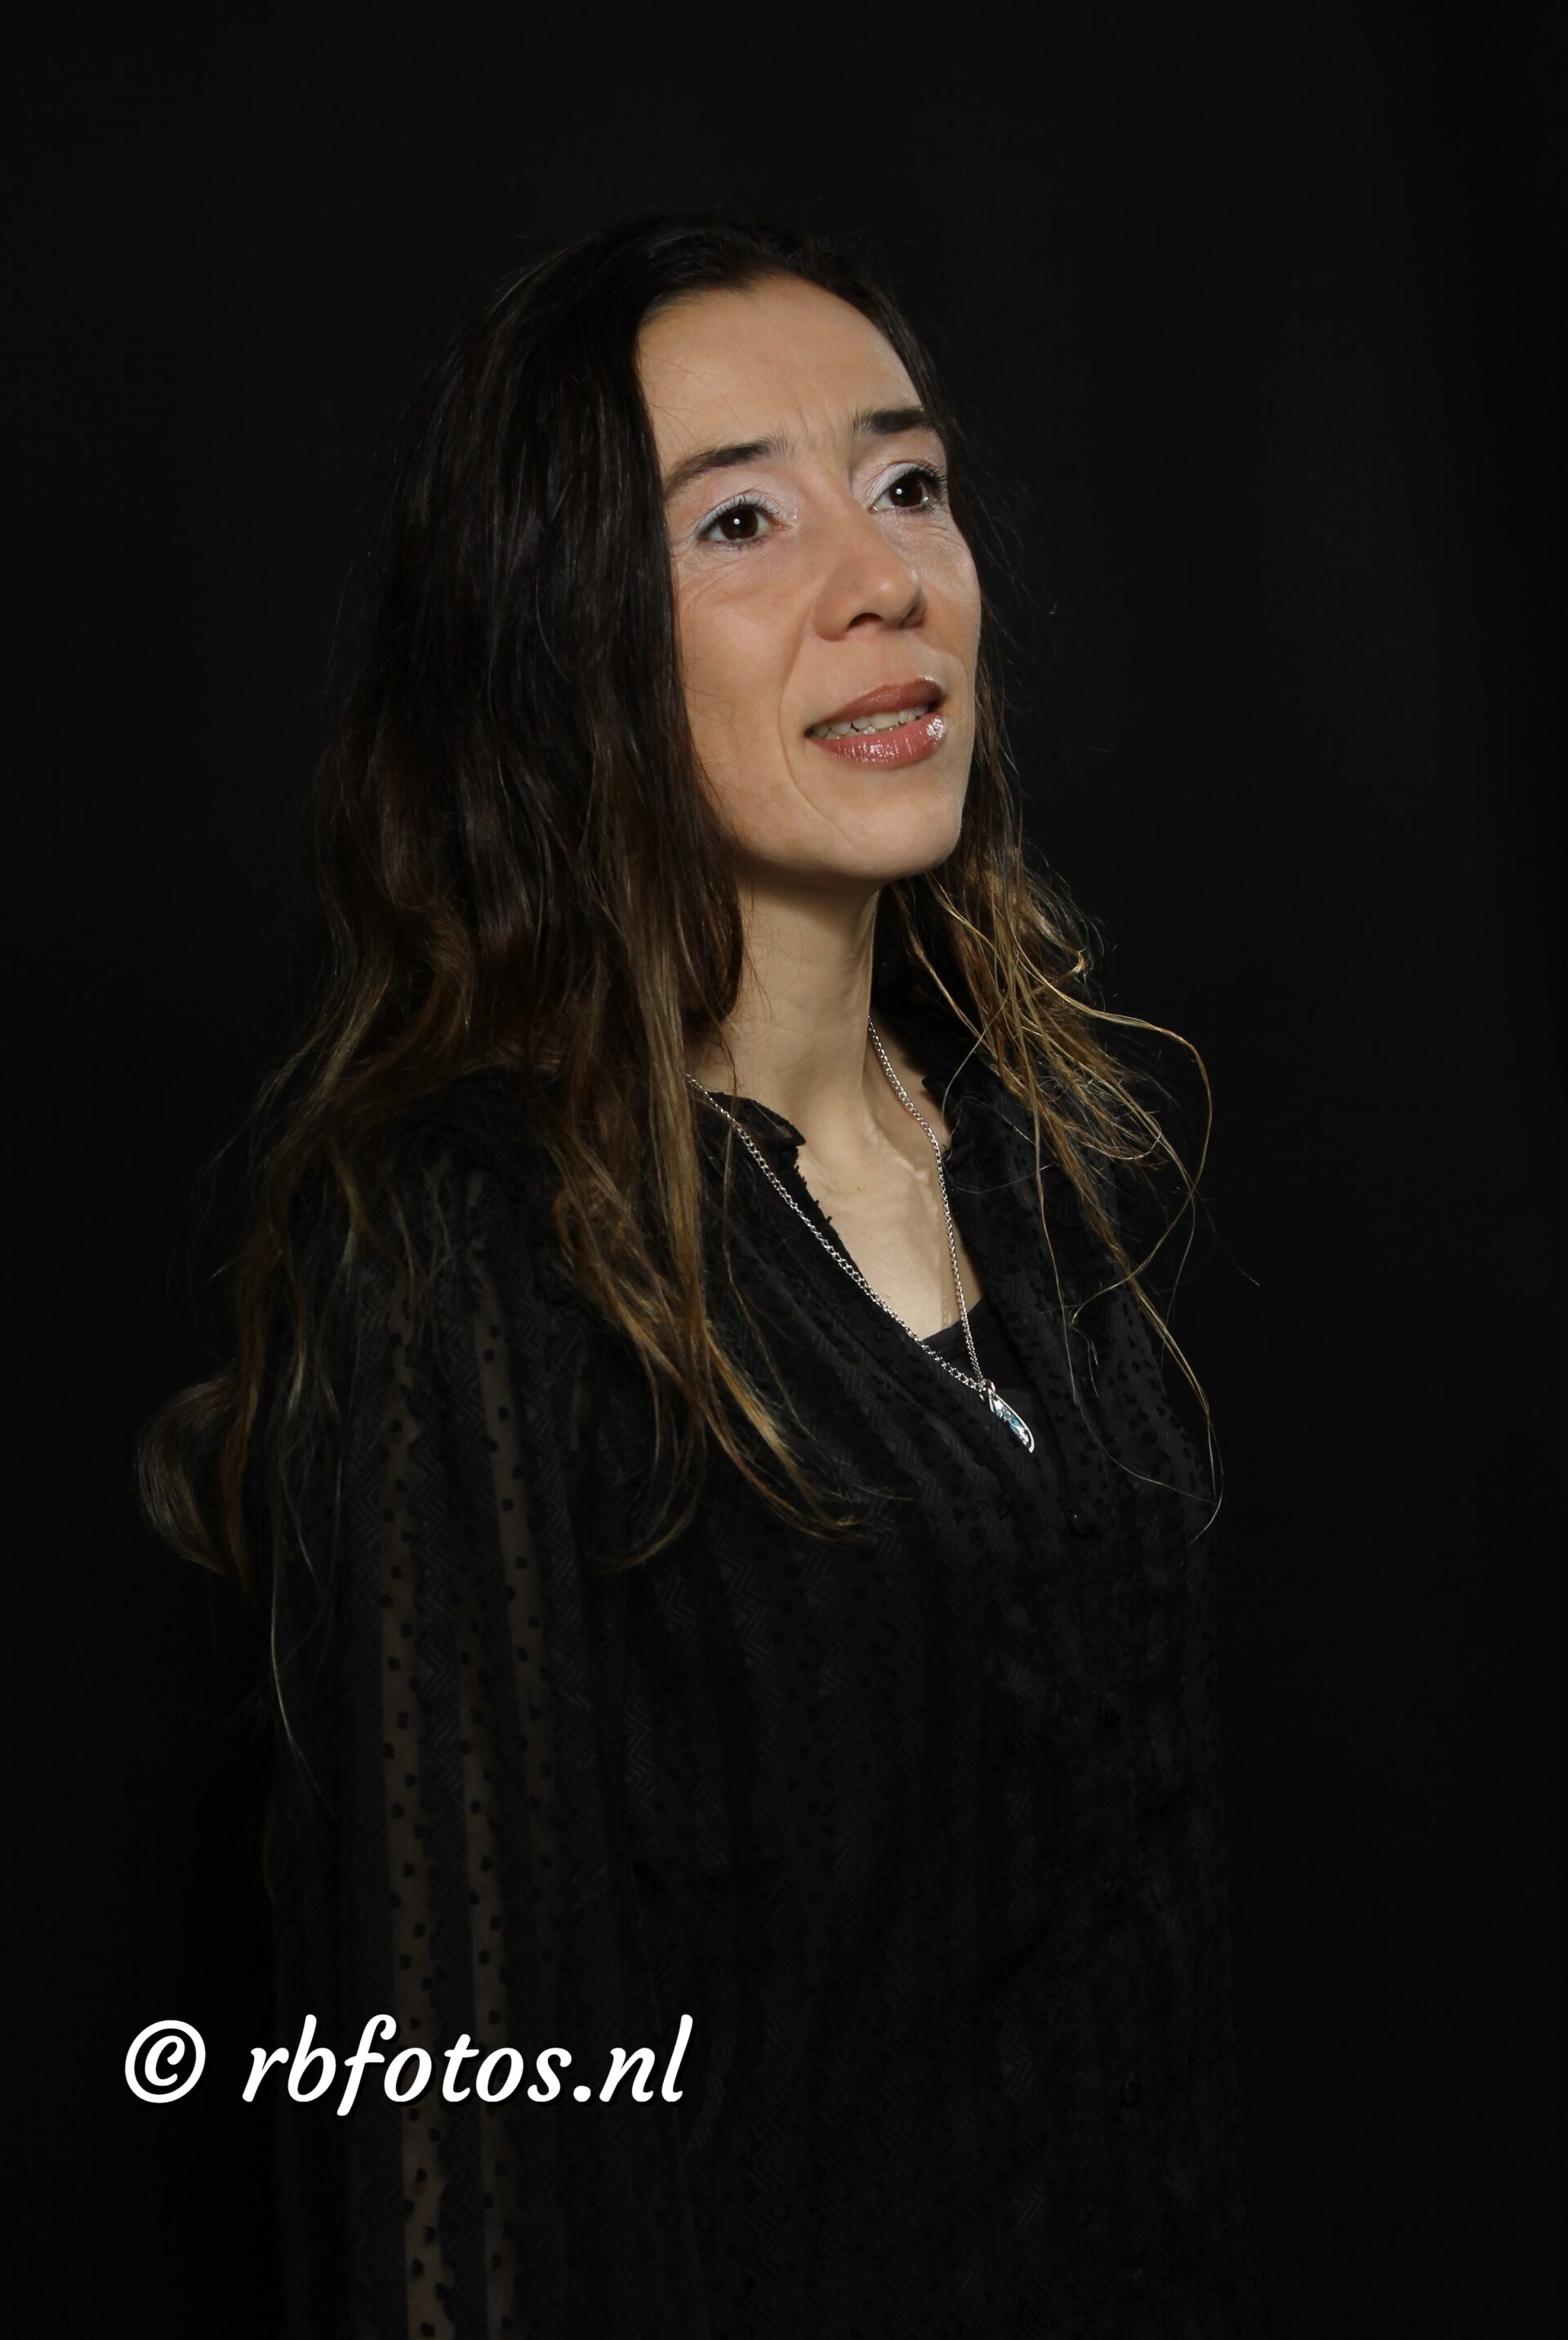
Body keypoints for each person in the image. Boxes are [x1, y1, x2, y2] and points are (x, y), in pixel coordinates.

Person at [140, 210, 1269, 2338]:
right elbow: (447, 2153)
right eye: (740, 519)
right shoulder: (472, 1257)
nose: (881, 579)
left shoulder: (1038, 1155)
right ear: (560, 638)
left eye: (906, 483)